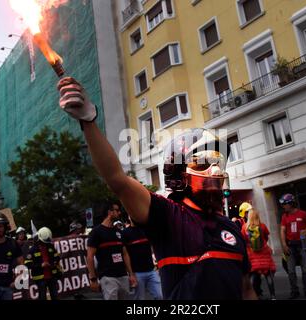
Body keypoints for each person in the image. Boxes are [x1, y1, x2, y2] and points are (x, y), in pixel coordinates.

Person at [57, 77, 256, 300]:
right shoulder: (168, 216)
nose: (214, 172)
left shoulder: (233, 229)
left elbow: (246, 289)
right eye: (202, 164)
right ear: (178, 174)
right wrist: (88, 121)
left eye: (218, 164)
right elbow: (116, 179)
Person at [86, 202, 137, 300]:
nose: (119, 213)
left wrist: (131, 274)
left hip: (123, 276)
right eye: (117, 210)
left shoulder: (118, 232)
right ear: (110, 212)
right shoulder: (96, 232)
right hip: (108, 277)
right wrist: (93, 279)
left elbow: (125, 254)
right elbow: (90, 257)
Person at [279, 193, 306, 299]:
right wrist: (284, 244)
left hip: (302, 245)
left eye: (285, 204)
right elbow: (282, 230)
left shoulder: (303, 214)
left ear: (291, 203)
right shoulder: (284, 216)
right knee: (291, 271)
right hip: (290, 246)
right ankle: (294, 291)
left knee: (305, 270)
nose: (283, 206)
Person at [122, 217, 163, 300]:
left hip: (151, 270)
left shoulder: (146, 229)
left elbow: (153, 246)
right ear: (129, 217)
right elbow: (125, 254)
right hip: (137, 273)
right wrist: (131, 274)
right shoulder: (125, 233)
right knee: (139, 298)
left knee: (160, 296)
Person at [242, 206, 276, 300]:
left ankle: (253, 296)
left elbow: (243, 240)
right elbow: (266, 237)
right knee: (268, 275)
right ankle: (273, 296)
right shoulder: (262, 226)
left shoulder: (245, 227)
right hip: (264, 252)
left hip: (252, 254)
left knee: (253, 275)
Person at [25, 227, 62, 300]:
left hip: (52, 275)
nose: (46, 243)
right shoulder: (32, 250)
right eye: (44, 241)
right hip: (40, 278)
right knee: (42, 297)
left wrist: (54, 262)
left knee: (55, 296)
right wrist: (40, 265)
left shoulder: (50, 246)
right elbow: (28, 264)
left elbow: (57, 257)